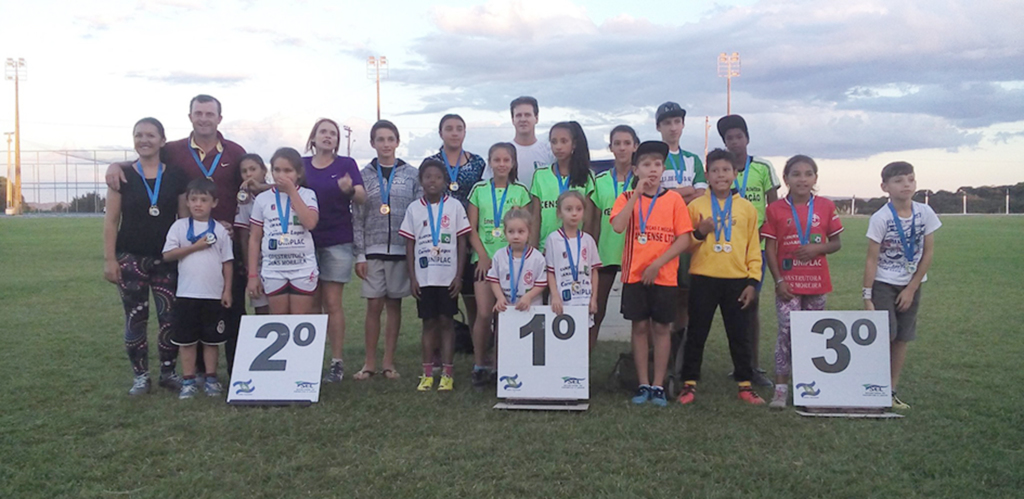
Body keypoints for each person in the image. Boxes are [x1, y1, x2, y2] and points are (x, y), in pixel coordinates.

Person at [105, 94, 250, 376]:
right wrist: (116, 165)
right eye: (199, 113)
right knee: (191, 307)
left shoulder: (234, 151)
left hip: (227, 243)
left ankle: (238, 371)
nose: (204, 118)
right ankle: (192, 373)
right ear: (190, 117)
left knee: (231, 306)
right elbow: (144, 159)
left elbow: (247, 184)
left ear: (219, 118)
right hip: (188, 247)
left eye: (210, 114)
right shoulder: (173, 150)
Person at [103, 117, 189, 395]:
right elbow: (111, 221)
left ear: (162, 141)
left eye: (151, 135)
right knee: (135, 319)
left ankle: (168, 372)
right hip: (131, 259)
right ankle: (140, 376)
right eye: (138, 135)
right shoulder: (122, 176)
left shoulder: (175, 176)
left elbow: (184, 219)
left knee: (170, 318)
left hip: (167, 260)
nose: (144, 140)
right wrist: (110, 259)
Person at [610, 140, 693, 407]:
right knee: (640, 327)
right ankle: (642, 382)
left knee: (661, 328)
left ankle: (658, 384)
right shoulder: (625, 198)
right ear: (636, 169)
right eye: (646, 165)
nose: (653, 170)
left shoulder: (674, 200)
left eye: (657, 164)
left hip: (664, 276)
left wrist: (659, 264)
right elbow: (618, 227)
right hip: (634, 276)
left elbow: (684, 239)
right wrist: (635, 195)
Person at [679, 149, 764, 406]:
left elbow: (753, 248)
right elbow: (685, 245)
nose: (720, 175)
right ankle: (689, 384)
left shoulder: (747, 209)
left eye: (726, 170)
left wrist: (752, 282)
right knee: (696, 333)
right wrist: (701, 232)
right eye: (715, 171)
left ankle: (745, 385)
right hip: (704, 278)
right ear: (707, 175)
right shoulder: (696, 206)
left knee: (739, 334)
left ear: (735, 174)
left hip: (737, 280)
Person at [761, 155, 844, 409]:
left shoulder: (826, 206)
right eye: (796, 174)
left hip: (817, 281)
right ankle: (781, 389)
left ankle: (811, 389)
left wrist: (816, 249)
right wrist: (778, 280)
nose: (802, 179)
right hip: (789, 283)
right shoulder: (775, 209)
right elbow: (771, 249)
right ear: (786, 179)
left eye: (808, 174)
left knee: (814, 337)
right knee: (787, 333)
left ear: (815, 178)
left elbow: (836, 243)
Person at [863, 161, 940, 410]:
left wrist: (911, 287)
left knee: (902, 338)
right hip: (884, 284)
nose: (906, 184)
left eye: (910, 179)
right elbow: (871, 258)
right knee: (886, 334)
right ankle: (872, 386)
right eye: (898, 181)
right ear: (885, 187)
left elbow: (928, 253)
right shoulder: (881, 217)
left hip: (912, 285)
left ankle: (891, 390)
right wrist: (867, 296)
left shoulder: (925, 213)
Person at [353, 120, 422, 380]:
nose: (385, 144)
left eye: (390, 138)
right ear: (372, 143)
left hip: (401, 250)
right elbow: (357, 217)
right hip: (372, 250)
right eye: (380, 139)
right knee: (374, 306)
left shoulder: (412, 174)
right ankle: (369, 363)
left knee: (394, 306)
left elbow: (417, 214)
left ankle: (388, 362)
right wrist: (360, 253)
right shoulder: (363, 175)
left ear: (397, 141)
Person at [717, 114, 780, 387]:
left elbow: (774, 209)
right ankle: (738, 365)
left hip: (757, 249)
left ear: (747, 139)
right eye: (729, 138)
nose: (734, 142)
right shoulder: (720, 170)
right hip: (725, 248)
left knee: (750, 306)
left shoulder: (763, 168)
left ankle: (752, 366)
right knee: (727, 308)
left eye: (738, 137)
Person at [303, 118, 366, 383]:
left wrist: (349, 189)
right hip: (304, 242)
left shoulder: (346, 165)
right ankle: (309, 361)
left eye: (333, 133)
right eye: (323, 132)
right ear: (313, 137)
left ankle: (336, 363)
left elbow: (363, 198)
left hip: (337, 241)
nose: (328, 137)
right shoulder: (302, 165)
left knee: (332, 303)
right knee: (311, 305)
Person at [400, 160, 471, 392]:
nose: (432, 181)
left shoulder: (455, 207)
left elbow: (462, 242)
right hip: (424, 277)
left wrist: (459, 276)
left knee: (446, 322)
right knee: (428, 323)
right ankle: (428, 373)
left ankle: (448, 373)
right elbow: (409, 245)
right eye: (428, 177)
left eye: (437, 177)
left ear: (445, 182)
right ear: (421, 181)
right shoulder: (414, 209)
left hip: (448, 277)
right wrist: (413, 278)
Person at [466, 143, 533, 389]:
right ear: (490, 162)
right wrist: (482, 256)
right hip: (484, 262)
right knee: (485, 313)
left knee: (507, 315)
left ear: (513, 163)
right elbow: (471, 229)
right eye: (497, 160)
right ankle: (479, 363)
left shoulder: (521, 192)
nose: (502, 164)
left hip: (512, 261)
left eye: (506, 160)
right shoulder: (478, 190)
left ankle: (499, 364)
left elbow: (525, 227)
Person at [162, 178, 234, 399]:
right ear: (187, 201)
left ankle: (211, 378)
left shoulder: (220, 230)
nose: (198, 204)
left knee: (212, 341)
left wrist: (227, 290)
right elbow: (167, 255)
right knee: (187, 341)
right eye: (193, 199)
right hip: (187, 294)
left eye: (204, 200)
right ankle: (188, 381)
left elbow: (227, 262)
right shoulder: (180, 226)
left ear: (214, 203)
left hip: (212, 295)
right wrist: (195, 247)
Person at [426, 114, 487, 349]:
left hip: (469, 238)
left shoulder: (478, 162)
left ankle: (477, 346)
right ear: (440, 132)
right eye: (449, 128)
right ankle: (441, 351)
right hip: (438, 240)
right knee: (443, 302)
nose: (454, 132)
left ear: (465, 133)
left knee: (473, 302)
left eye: (459, 128)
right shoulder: (431, 162)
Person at [654, 102, 708, 346]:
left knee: (685, 294)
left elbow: (701, 194)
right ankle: (659, 347)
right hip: (660, 235)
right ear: (659, 127)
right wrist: (684, 193)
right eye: (667, 123)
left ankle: (679, 345)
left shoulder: (692, 160)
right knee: (661, 293)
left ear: (683, 125)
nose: (673, 128)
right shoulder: (654, 159)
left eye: (677, 122)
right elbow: (653, 196)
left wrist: (672, 193)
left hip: (688, 234)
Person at [246, 148, 320, 315]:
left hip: (302, 267)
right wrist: (252, 275)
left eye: (288, 170)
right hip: (273, 268)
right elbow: (255, 239)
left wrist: (292, 192)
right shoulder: (262, 199)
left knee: (299, 320)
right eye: (277, 170)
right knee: (280, 321)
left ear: (298, 173)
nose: (282, 175)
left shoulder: (308, 195)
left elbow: (310, 222)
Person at [590, 125, 638, 350]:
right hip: (605, 253)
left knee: (639, 317)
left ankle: (640, 367)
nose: (622, 148)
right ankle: (583, 365)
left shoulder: (643, 180)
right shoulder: (599, 181)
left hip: (635, 255)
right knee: (595, 311)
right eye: (617, 143)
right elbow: (594, 222)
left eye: (627, 143)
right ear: (610, 148)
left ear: (635, 146)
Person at [530, 121, 596, 251]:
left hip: (576, 249)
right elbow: (536, 217)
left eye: (564, 141)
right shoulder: (540, 175)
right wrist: (533, 251)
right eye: (554, 142)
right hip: (546, 249)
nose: (558, 147)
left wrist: (584, 249)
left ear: (574, 144)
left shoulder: (587, 176)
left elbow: (588, 220)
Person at [545, 191, 601, 334]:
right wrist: (555, 295)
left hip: (584, 298)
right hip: (562, 299)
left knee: (581, 335)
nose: (574, 214)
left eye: (578, 209)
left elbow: (594, 271)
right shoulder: (552, 239)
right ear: (559, 213)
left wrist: (594, 298)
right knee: (560, 334)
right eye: (568, 209)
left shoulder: (588, 240)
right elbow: (550, 271)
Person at [484, 96, 554, 190]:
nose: (523, 119)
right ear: (513, 120)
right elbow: (486, 187)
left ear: (536, 118)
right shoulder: (501, 153)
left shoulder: (549, 152)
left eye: (527, 115)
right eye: (518, 115)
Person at [488, 208, 547, 311]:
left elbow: (541, 283)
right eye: (511, 232)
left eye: (521, 232)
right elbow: (494, 279)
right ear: (505, 233)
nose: (516, 236)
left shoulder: (537, 258)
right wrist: (500, 298)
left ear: (529, 233)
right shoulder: (499, 256)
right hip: (506, 308)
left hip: (532, 308)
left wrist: (528, 297)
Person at [233, 154, 271, 315]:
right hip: (259, 262)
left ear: (264, 171)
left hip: (280, 258)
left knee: (282, 307)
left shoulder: (277, 191)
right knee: (261, 307)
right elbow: (243, 236)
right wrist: (250, 269)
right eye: (244, 171)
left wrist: (262, 188)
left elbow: (293, 187)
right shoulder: (244, 200)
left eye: (253, 169)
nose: (249, 174)